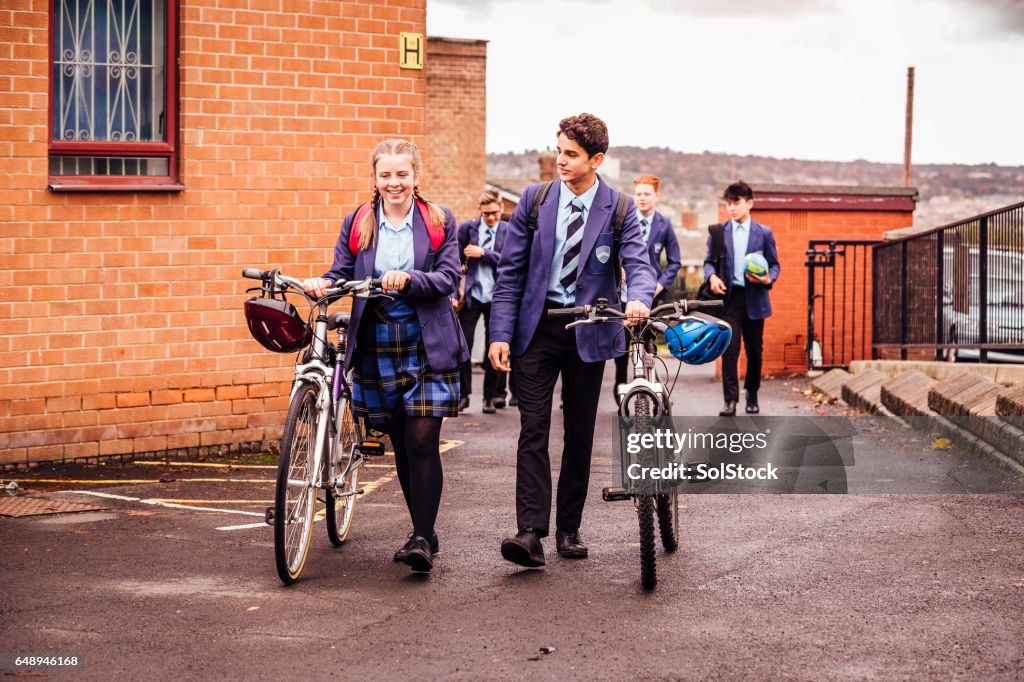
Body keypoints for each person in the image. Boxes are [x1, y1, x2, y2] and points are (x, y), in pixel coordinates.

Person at [488, 113, 657, 568]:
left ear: (595, 160)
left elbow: (639, 265)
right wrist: (499, 333)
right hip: (537, 329)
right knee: (533, 429)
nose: (560, 160)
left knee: (579, 433)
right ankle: (530, 532)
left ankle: (568, 528)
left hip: (590, 327)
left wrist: (638, 299)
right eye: (558, 150)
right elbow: (510, 275)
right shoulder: (534, 200)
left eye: (571, 154)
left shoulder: (619, 208)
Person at [302, 139, 467, 574]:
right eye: (385, 175)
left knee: (421, 440)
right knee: (400, 443)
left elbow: (448, 278)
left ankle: (420, 539)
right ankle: (425, 531)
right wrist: (323, 283)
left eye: (402, 174)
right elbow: (342, 272)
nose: (394, 183)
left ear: (416, 176)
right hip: (375, 341)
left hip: (426, 340)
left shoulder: (438, 220)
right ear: (375, 178)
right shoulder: (359, 221)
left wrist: (409, 279)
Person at [703, 180, 780, 417]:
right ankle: (730, 401)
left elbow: (775, 264)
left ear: (749, 204)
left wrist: (767, 280)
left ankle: (752, 395)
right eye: (728, 204)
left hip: (755, 297)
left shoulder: (764, 233)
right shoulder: (718, 232)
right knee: (730, 349)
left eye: (736, 203)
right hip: (730, 298)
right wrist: (712, 277)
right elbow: (708, 262)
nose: (732, 208)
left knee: (755, 352)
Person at [613, 174, 682, 398]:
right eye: (638, 194)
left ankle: (652, 385)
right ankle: (620, 385)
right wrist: (618, 270)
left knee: (649, 341)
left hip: (653, 295)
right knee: (622, 344)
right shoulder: (623, 221)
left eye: (647, 194)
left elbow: (675, 261)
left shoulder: (664, 224)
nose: (642, 198)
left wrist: (661, 284)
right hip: (623, 295)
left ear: (656, 196)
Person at [457, 189, 510, 414]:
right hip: (472, 296)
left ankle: (490, 397)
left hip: (497, 298)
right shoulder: (467, 229)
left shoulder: (508, 231)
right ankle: (463, 395)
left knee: (494, 346)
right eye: (486, 213)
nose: (490, 218)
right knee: (463, 347)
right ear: (480, 210)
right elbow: (454, 259)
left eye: (495, 213)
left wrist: (484, 253)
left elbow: (510, 263)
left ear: (501, 209)